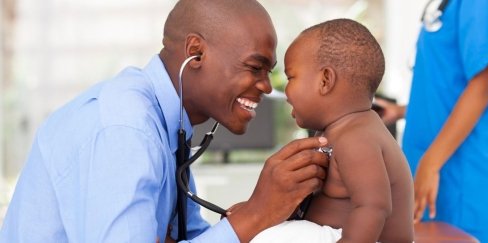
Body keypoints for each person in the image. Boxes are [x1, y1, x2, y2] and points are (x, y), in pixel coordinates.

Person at [0, 0, 330, 242]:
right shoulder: (126, 131)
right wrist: (257, 213)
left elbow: (188, 235)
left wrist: (260, 218)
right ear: (196, 54)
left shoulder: (169, 125)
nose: (266, 86)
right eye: (254, 67)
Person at [248, 19, 414, 242]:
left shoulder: (357, 138)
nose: (285, 91)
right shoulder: (340, 130)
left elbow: (374, 207)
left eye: (290, 77)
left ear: (325, 80)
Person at [375, 0, 488, 242]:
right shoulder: (447, 5)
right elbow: (449, 88)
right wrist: (401, 111)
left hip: (463, 176)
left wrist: (430, 163)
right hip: (437, 173)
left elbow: (483, 84)